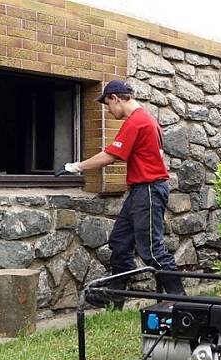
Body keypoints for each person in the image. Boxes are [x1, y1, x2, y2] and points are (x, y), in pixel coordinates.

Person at [60, 80, 186, 307]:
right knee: (120, 242)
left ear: (116, 98)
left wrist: (76, 167)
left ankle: (183, 303)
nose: (108, 110)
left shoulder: (137, 121)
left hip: (148, 189)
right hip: (141, 190)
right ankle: (116, 297)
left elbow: (110, 156)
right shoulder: (146, 119)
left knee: (152, 251)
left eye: (108, 104)